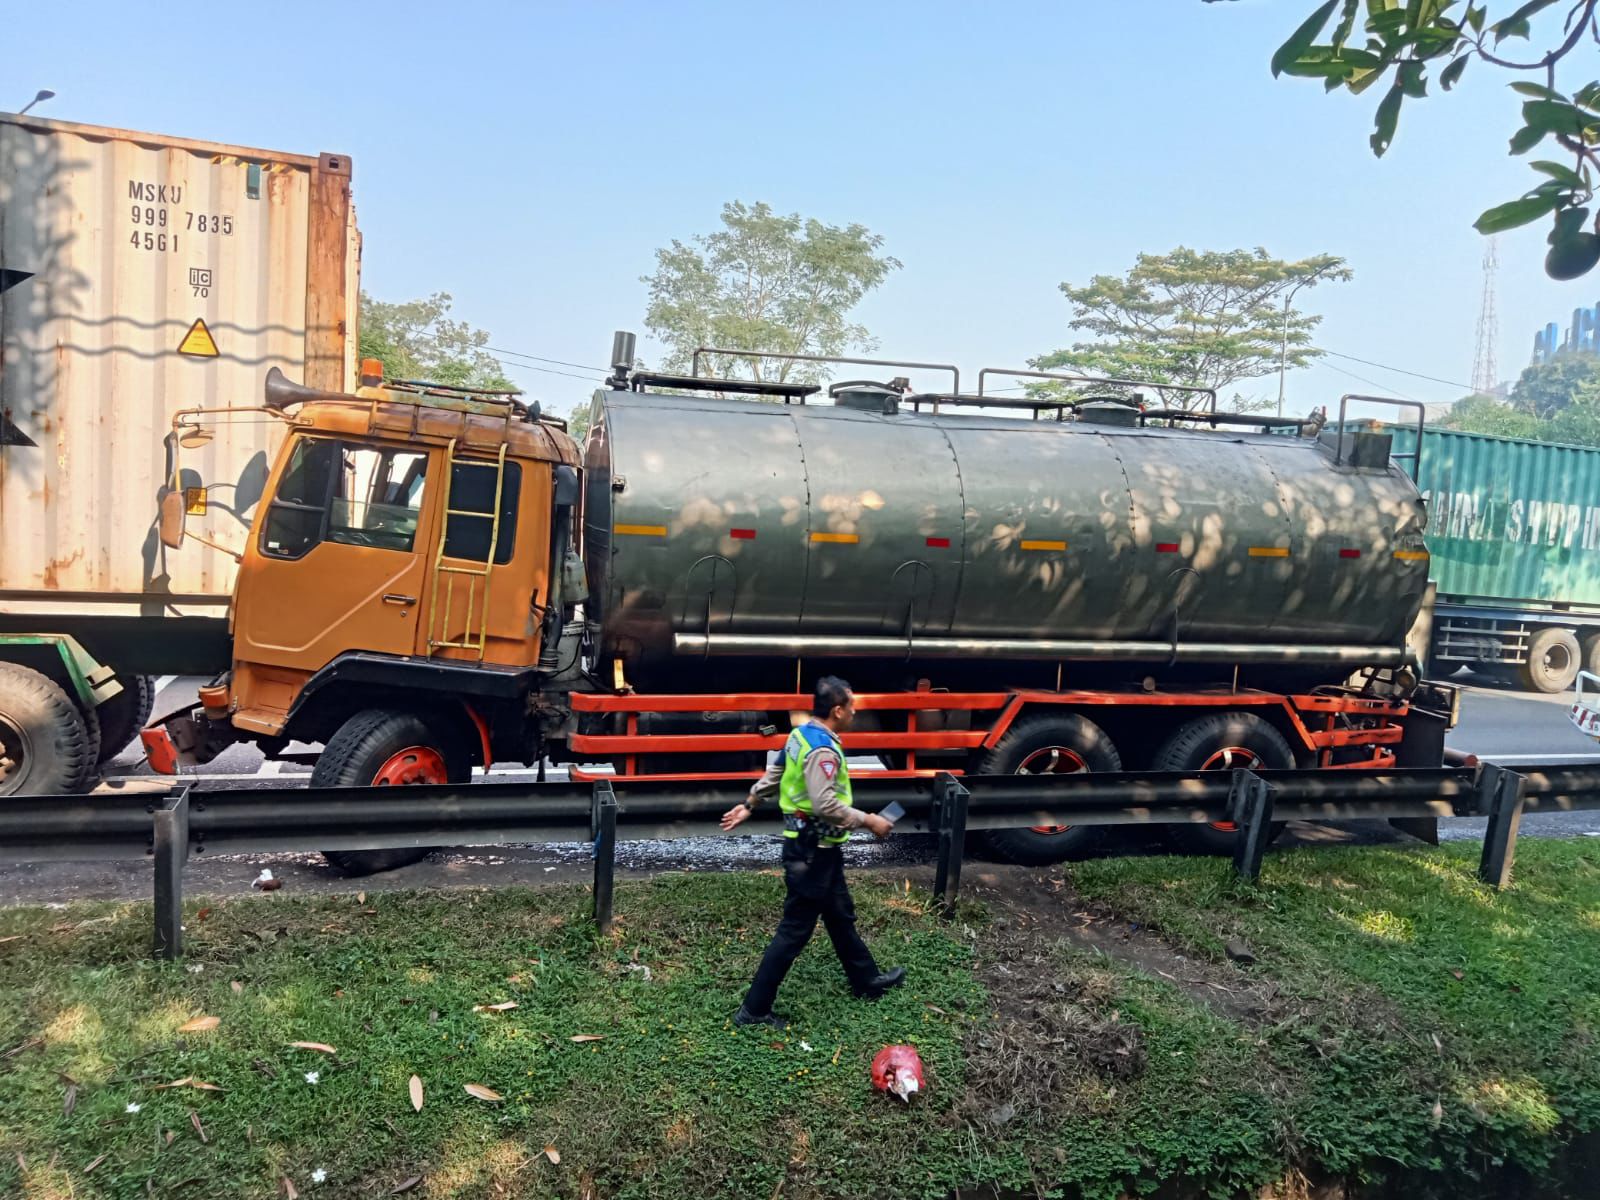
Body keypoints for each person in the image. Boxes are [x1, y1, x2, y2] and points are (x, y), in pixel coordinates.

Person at [719, 675, 905, 1029]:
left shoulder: (800, 734)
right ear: (838, 710)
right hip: (811, 853)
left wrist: (750, 803)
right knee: (794, 931)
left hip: (821, 850)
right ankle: (753, 1011)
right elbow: (825, 804)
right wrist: (871, 821)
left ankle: (866, 981)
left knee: (840, 916)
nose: (854, 712)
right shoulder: (822, 749)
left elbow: (776, 773)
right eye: (851, 706)